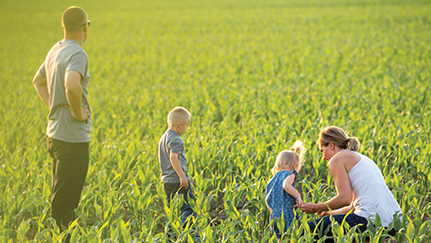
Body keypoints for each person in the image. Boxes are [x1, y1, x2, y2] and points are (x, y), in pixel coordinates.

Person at [32, 6, 91, 236]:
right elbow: (72, 85)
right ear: (85, 27)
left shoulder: (54, 50)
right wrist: (76, 114)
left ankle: (58, 235)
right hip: (72, 139)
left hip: (54, 135)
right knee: (65, 206)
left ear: (63, 27)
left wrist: (54, 107)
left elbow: (38, 81)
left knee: (60, 195)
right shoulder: (78, 54)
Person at [299, 126, 401, 242]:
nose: (323, 157)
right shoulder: (362, 158)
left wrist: (314, 207)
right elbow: (353, 206)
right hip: (391, 224)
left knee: (304, 231)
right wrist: (329, 212)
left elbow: (344, 198)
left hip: (368, 221)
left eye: (322, 151)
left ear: (331, 146)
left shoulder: (337, 159)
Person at [158, 107, 196, 237]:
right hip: (178, 180)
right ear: (181, 125)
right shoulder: (177, 140)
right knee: (187, 208)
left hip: (167, 181)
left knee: (172, 210)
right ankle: (189, 234)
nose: (186, 129)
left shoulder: (163, 138)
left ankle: (172, 235)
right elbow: (173, 158)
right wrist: (182, 177)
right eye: (186, 126)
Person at [265, 141, 306, 242]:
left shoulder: (272, 179)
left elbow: (267, 198)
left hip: (274, 215)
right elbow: (286, 185)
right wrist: (298, 196)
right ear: (295, 166)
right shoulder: (290, 174)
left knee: (280, 239)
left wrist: (273, 211)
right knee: (292, 237)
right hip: (287, 214)